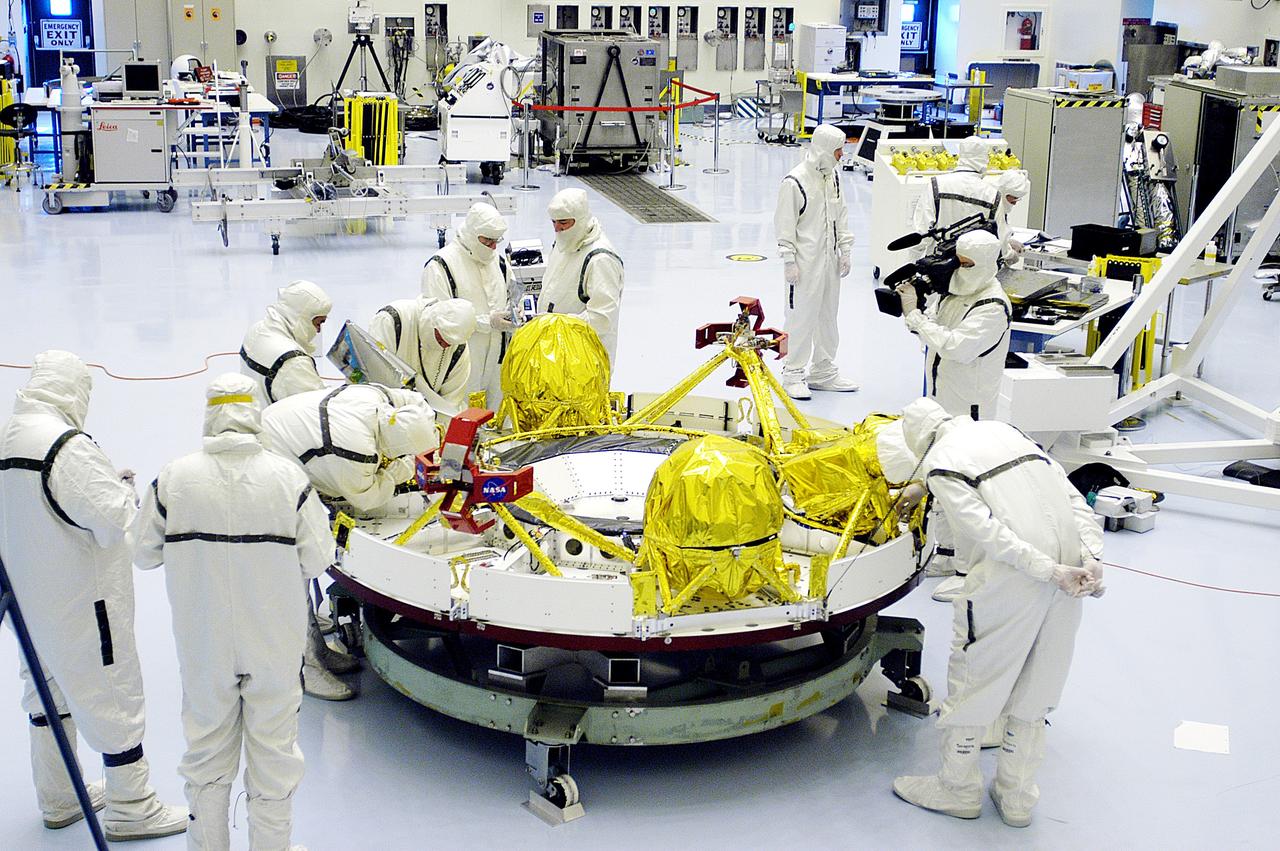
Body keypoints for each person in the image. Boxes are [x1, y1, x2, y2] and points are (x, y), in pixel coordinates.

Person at [135, 374, 332, 851]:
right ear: (253, 416)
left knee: (205, 754)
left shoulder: (174, 478)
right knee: (274, 754)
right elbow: (319, 558)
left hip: (203, 645)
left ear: (210, 415)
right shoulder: (289, 479)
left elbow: (142, 553)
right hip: (273, 644)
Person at [890, 398, 1104, 828]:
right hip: (1071, 576)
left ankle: (957, 789)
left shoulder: (942, 462)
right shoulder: (1009, 433)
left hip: (1013, 581)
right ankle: (1017, 796)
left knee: (975, 680)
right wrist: (1091, 554)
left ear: (920, 446)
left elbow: (985, 529)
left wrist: (1044, 568)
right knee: (1040, 681)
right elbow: (1069, 497)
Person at [0, 351, 187, 840]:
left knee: (46, 692)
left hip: (25, 601)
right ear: (72, 390)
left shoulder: (7, 436)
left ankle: (59, 797)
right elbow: (114, 525)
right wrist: (125, 488)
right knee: (111, 696)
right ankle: (132, 806)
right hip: (85, 600)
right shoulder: (65, 446)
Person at [261, 385, 437, 701]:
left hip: (279, 433)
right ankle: (307, 668)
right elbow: (367, 497)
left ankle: (317, 651)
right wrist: (403, 469)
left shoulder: (378, 401)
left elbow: (412, 398)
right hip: (272, 473)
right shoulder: (354, 450)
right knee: (292, 578)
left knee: (300, 573)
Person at [896, 230, 1012, 601]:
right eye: (957, 262)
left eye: (967, 265)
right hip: (945, 397)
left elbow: (956, 347)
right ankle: (946, 554)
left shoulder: (992, 306)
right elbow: (933, 335)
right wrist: (917, 314)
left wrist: (914, 316)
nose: (959, 270)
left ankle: (971, 570)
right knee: (942, 480)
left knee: (965, 488)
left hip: (970, 408)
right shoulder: (958, 292)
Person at [774, 123, 858, 400]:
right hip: (805, 263)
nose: (840, 156)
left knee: (827, 317)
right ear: (823, 150)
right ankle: (793, 373)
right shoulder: (795, 181)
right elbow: (785, 225)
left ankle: (823, 372)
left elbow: (840, 213)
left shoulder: (832, 177)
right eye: (837, 151)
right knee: (801, 317)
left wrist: (845, 249)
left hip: (830, 261)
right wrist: (789, 260)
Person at [420, 203, 512, 406]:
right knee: (460, 414)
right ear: (471, 233)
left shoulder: (498, 262)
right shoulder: (441, 266)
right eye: (487, 241)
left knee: (496, 414)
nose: (492, 247)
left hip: (497, 357)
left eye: (496, 241)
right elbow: (438, 321)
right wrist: (485, 322)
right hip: (461, 358)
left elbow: (511, 293)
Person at [539, 189, 625, 364]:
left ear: (580, 220)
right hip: (555, 351)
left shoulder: (600, 259)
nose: (557, 228)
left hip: (583, 360)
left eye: (563, 222)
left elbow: (602, 318)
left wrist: (555, 324)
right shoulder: (564, 243)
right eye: (553, 222)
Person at [369, 297, 478, 412]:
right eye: (440, 339)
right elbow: (375, 379)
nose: (444, 346)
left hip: (428, 419)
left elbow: (451, 402)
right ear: (433, 323)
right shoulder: (391, 320)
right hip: (384, 411)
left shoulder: (458, 348)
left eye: (449, 344)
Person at [240, 281, 333, 405]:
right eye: (318, 323)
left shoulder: (256, 329)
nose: (318, 330)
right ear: (302, 317)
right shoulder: (294, 361)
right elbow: (316, 409)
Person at [911, 136, 1000, 259]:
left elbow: (921, 231)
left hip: (939, 265)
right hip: (975, 267)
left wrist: (913, 268)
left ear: (960, 155)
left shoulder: (936, 184)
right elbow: (998, 238)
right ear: (985, 159)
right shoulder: (992, 195)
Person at [995, 171, 1031, 267]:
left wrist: (1008, 242)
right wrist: (1010, 254)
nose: (1015, 203)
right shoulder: (995, 209)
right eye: (1014, 198)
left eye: (1017, 199)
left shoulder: (1001, 207)